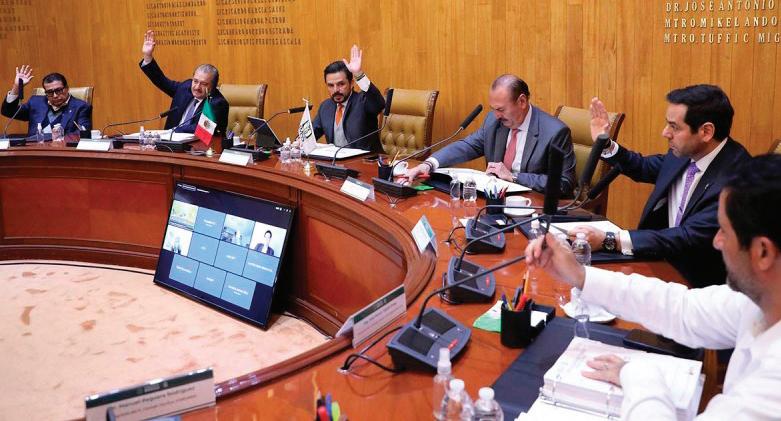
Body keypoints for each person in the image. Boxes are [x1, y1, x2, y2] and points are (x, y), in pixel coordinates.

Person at [526, 154, 781, 420]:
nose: (716, 242)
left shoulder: (774, 389)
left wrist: (640, 377)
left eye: (724, 231)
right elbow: (682, 309)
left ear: (762, 252)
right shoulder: (761, 299)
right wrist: (580, 275)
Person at [571, 85, 751, 287]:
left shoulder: (738, 179)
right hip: (660, 262)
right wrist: (605, 144)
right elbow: (643, 166)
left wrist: (611, 239)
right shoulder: (687, 152)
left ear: (706, 131)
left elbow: (688, 236)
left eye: (674, 127)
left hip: (699, 283)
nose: (665, 133)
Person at [405, 74, 576, 196]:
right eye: (493, 109)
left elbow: (564, 183)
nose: (496, 115)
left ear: (522, 102)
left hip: (532, 207)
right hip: (495, 201)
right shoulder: (494, 122)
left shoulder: (555, 132)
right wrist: (428, 164)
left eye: (501, 109)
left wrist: (514, 177)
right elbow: (467, 146)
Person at [138, 30, 229, 148]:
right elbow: (161, 80)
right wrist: (147, 57)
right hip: (168, 146)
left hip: (199, 150)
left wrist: (173, 130)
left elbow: (202, 129)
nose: (197, 87)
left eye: (204, 84)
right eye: (195, 81)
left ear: (213, 86)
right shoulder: (185, 88)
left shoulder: (217, 103)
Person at [311, 45, 386, 153]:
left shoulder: (363, 101)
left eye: (341, 84)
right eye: (331, 85)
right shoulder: (325, 107)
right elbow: (311, 134)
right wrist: (299, 142)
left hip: (366, 161)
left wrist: (358, 74)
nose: (336, 90)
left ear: (351, 83)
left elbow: (378, 104)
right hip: (336, 162)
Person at [1, 65, 92, 137]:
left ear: (67, 88)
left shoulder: (81, 107)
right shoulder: (36, 102)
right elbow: (8, 112)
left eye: (59, 90)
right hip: (34, 151)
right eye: (50, 92)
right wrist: (17, 87)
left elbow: (83, 133)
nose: (55, 95)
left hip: (62, 151)